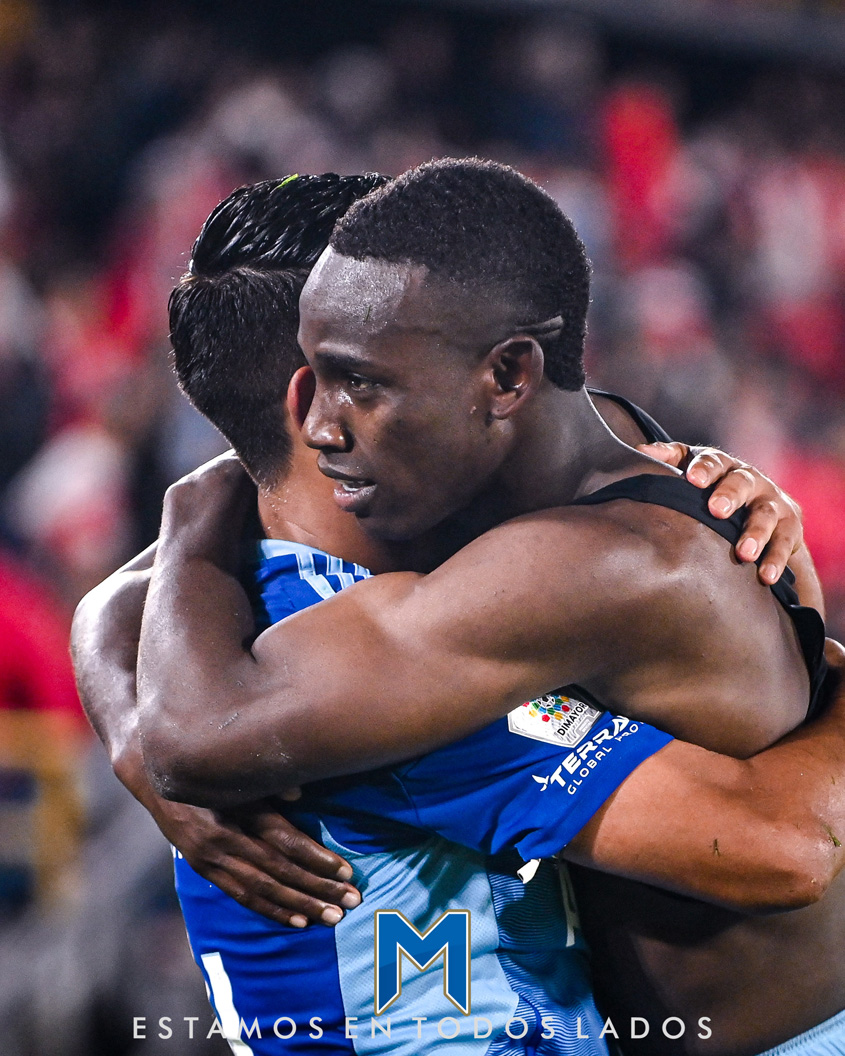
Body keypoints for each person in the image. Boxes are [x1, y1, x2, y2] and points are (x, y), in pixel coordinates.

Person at [126, 159, 845, 1056]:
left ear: (500, 374)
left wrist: (187, 526)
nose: (328, 420)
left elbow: (788, 848)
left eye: (368, 377)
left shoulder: (224, 612)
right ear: (304, 395)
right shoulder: (374, 640)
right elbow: (785, 846)